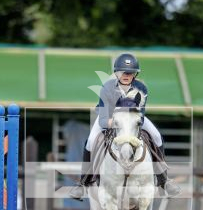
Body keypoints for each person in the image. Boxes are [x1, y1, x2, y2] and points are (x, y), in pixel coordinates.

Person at [69, 53, 181, 201]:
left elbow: (140, 114)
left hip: (133, 118)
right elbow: (103, 119)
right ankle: (83, 183)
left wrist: (128, 124)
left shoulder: (141, 88)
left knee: (156, 136)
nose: (127, 75)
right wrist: (116, 123)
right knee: (90, 141)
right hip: (109, 117)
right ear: (117, 72)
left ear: (135, 74)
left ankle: (164, 181)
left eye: (130, 72)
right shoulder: (107, 88)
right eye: (123, 72)